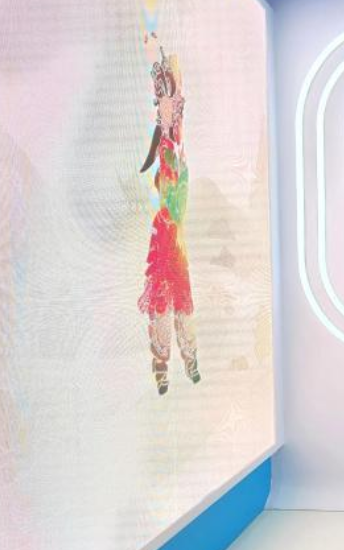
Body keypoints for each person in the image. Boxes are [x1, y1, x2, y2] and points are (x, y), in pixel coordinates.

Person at [138, 33, 201, 395]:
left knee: (180, 302)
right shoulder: (170, 152)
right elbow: (169, 130)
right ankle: (165, 364)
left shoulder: (176, 153)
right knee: (165, 301)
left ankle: (185, 359)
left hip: (175, 237)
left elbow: (173, 129)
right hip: (168, 237)